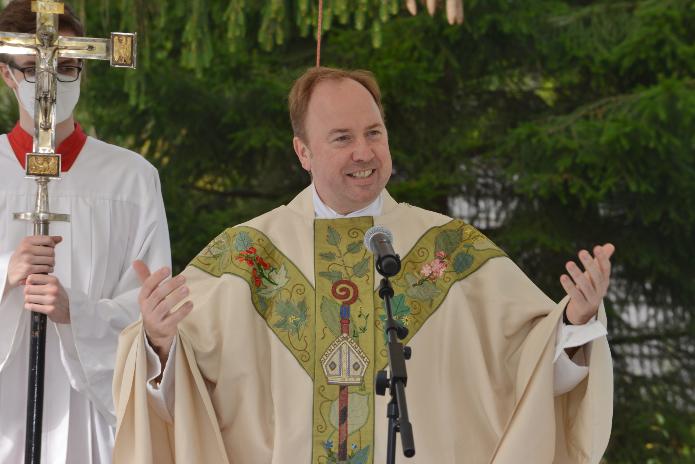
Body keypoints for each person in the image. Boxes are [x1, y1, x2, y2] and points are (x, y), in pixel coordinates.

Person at [114, 67, 613, 463]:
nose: (364, 152)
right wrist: (158, 341)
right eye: (341, 138)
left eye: (374, 132)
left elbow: (529, 379)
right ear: (303, 152)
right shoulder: (247, 258)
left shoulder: (450, 250)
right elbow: (179, 403)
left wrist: (575, 322)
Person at [0, 1, 171, 462]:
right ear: (7, 74)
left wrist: (79, 313)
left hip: (91, 409)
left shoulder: (131, 179)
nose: (52, 81)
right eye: (34, 68)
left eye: (68, 66)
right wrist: (6, 273)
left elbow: (150, 308)